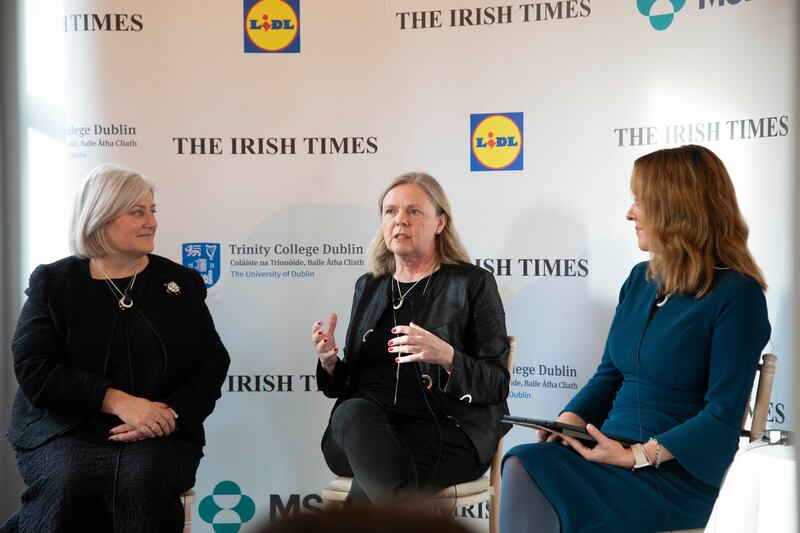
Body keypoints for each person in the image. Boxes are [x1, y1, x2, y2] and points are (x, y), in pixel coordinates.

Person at [500, 145, 771, 532]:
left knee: (529, 471)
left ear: (676, 208)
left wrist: (636, 456)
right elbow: (608, 377)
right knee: (526, 460)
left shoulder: (737, 294)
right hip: (609, 451)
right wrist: (567, 423)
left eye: (640, 201)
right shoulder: (639, 280)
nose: (630, 213)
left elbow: (723, 414)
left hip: (676, 476)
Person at [1, 163, 230, 532]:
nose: (151, 222)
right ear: (100, 217)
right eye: (137, 212)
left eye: (152, 210)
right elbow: (34, 369)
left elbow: (212, 363)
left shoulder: (180, 283)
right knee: (70, 481)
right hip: (65, 430)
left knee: (142, 481)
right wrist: (121, 403)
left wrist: (168, 414)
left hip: (159, 431)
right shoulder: (54, 283)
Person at [312, 171, 510, 503]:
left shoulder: (472, 284)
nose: (399, 220)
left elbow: (496, 384)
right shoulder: (370, 285)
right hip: (361, 431)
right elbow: (344, 387)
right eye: (390, 212)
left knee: (379, 476)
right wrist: (330, 363)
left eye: (413, 211)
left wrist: (447, 356)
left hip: (445, 431)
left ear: (439, 223)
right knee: (352, 414)